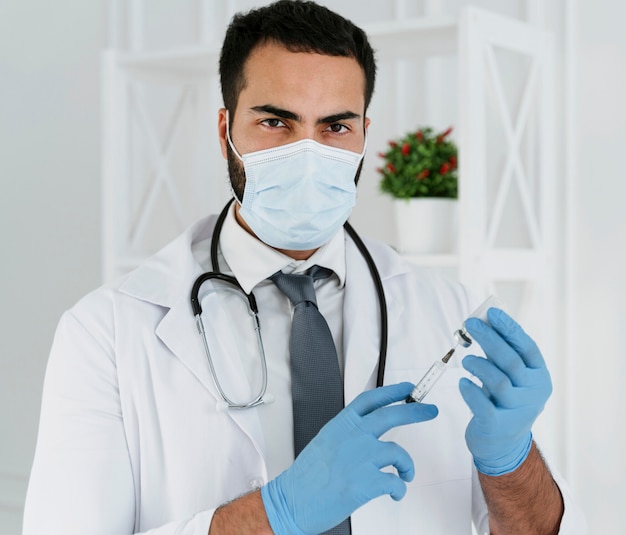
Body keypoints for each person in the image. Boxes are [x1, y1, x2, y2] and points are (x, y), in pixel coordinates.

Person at [23, 1, 585, 534]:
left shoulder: (448, 312)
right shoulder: (106, 333)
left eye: (335, 127)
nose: (309, 151)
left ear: (365, 134)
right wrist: (278, 513)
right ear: (226, 131)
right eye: (276, 123)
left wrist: (509, 460)